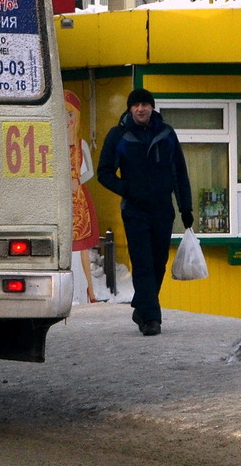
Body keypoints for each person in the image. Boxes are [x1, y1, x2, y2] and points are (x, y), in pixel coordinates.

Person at [96, 88, 193, 336]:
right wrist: (127, 189)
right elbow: (104, 173)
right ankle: (152, 319)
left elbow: (179, 173)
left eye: (145, 104)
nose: (141, 109)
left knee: (158, 262)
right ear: (130, 109)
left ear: (152, 107)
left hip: (163, 209)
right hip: (135, 210)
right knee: (143, 264)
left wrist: (186, 208)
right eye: (136, 105)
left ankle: (141, 306)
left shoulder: (166, 134)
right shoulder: (119, 135)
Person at [64, 90, 99, 303]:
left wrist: (78, 180)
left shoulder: (81, 144)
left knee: (83, 247)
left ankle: (90, 290)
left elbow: (90, 171)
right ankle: (68, 289)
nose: (67, 120)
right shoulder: (53, 144)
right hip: (62, 199)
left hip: (78, 199)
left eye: (70, 115)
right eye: (63, 115)